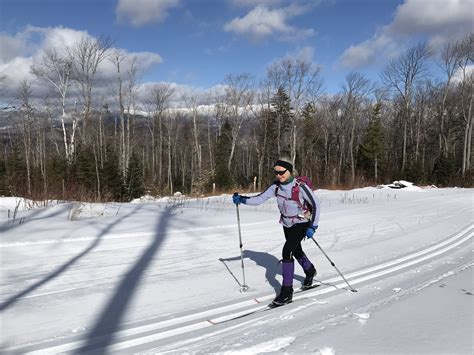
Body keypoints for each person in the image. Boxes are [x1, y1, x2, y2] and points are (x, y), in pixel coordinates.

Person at [233, 158, 321, 306]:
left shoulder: (300, 187)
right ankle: (310, 270)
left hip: (301, 223)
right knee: (296, 250)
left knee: (287, 251)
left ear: (290, 171)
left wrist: (313, 226)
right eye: (276, 172)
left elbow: (316, 205)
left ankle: (287, 292)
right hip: (286, 223)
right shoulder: (276, 187)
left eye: (282, 172)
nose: (279, 175)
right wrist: (241, 199)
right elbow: (259, 199)